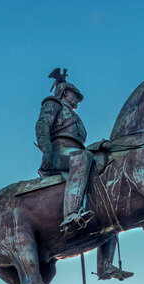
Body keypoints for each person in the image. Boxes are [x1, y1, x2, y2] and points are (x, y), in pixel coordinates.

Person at [35, 68, 94, 235]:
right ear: (64, 93)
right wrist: (47, 151)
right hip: (58, 153)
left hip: (74, 153)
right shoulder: (53, 103)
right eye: (74, 94)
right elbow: (42, 125)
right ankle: (70, 215)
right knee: (83, 157)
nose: (77, 99)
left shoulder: (76, 118)